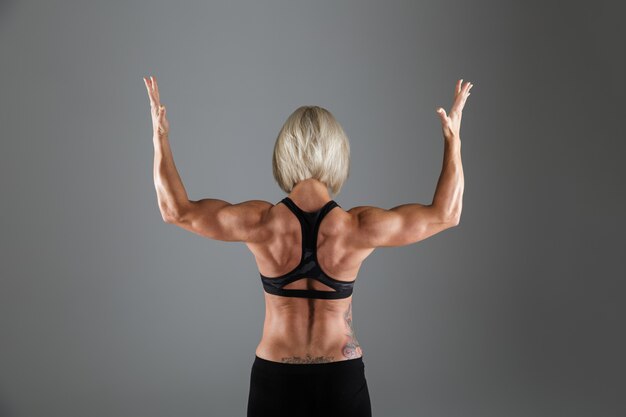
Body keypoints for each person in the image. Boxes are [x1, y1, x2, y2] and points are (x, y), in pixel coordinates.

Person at [143, 75, 473, 417]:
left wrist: (160, 138)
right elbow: (446, 214)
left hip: (276, 379)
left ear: (284, 155)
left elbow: (176, 211)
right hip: (340, 380)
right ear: (337, 155)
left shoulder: (261, 223)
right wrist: (454, 142)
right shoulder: (357, 227)